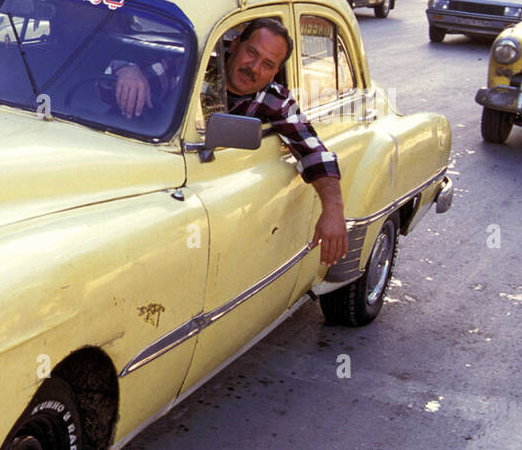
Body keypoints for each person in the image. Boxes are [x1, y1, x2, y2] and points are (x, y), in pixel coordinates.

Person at [111, 18, 349, 266]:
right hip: (156, 171)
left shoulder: (273, 98)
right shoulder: (196, 69)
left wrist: (333, 210)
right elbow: (148, 75)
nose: (254, 68)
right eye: (252, 53)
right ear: (235, 45)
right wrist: (128, 71)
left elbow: (314, 153)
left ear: (274, 73)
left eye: (267, 64)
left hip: (212, 189)